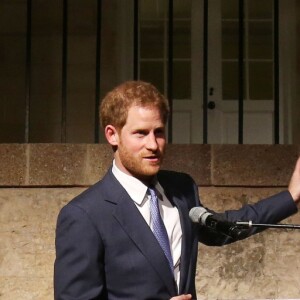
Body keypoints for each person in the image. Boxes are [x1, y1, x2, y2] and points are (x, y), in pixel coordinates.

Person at [54, 80, 300, 300]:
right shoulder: (84, 215)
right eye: (140, 133)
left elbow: (224, 228)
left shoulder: (181, 189)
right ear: (112, 135)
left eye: (158, 132)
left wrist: (291, 196)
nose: (153, 145)